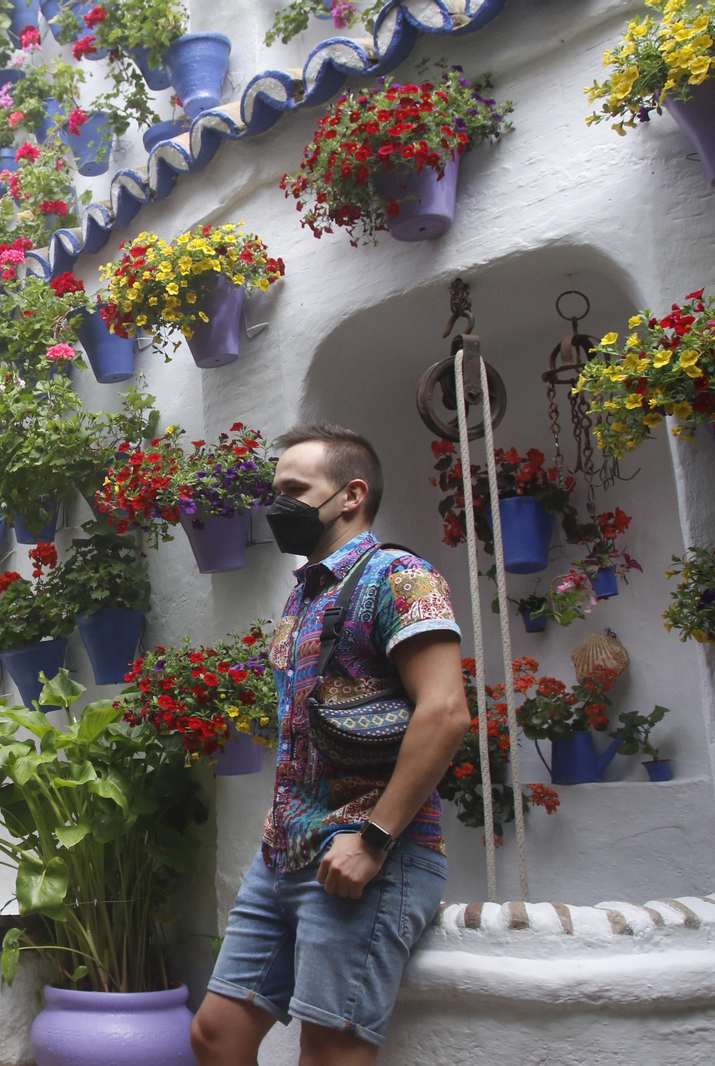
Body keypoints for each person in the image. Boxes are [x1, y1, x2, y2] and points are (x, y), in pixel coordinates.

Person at [191, 423, 471, 1066]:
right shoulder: (304, 593)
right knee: (215, 1035)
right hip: (285, 854)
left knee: (330, 1053)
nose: (278, 504)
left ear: (351, 495)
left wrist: (373, 839)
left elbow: (445, 712)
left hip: (367, 853)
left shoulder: (400, 576)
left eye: (295, 489)